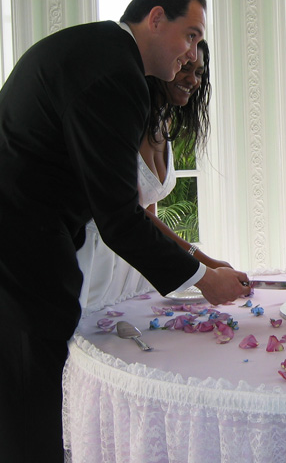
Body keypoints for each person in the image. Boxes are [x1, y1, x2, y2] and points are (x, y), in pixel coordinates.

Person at [0, 0, 249, 463]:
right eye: (189, 35)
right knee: (24, 436)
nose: (192, 53)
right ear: (155, 17)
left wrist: (198, 261)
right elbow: (119, 218)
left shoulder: (90, 47)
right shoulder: (116, 75)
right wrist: (203, 281)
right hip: (12, 264)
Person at [78, 39, 235, 314]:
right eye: (185, 68)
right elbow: (134, 213)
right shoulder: (128, 117)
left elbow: (150, 210)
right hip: (100, 256)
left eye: (199, 73)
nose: (192, 80)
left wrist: (202, 265)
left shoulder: (166, 119)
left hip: (136, 262)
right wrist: (204, 264)